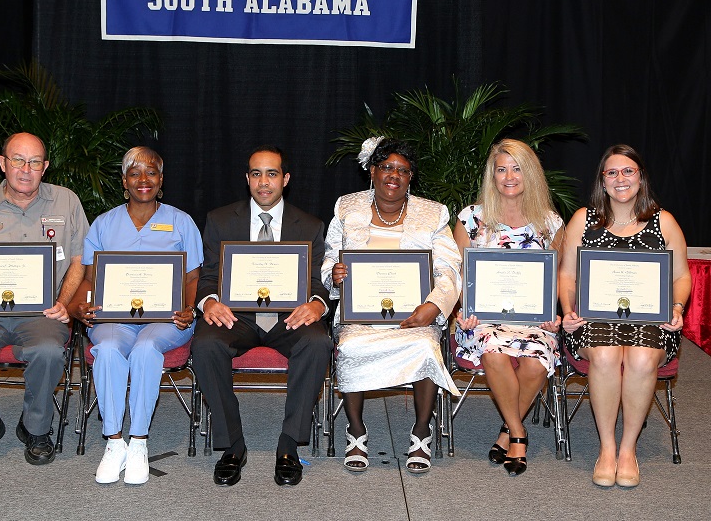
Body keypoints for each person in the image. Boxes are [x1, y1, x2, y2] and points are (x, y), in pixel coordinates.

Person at [0, 132, 89, 466]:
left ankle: (36, 428)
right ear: (3, 164)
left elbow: (79, 260)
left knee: (49, 350)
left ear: (45, 167)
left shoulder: (67, 203)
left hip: (42, 311)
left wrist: (64, 302)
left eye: (35, 162)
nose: (26, 169)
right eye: (18, 160)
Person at [192, 145, 333, 487]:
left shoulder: (310, 226)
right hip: (237, 317)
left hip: (288, 318)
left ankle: (288, 445)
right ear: (247, 179)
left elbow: (317, 279)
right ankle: (233, 446)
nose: (263, 182)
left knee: (317, 343)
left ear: (285, 179)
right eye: (256, 174)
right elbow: (208, 276)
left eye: (272, 174)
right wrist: (209, 302)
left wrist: (317, 303)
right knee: (206, 343)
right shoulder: (221, 220)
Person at [322, 137, 462, 474]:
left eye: (402, 170)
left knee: (427, 347)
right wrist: (335, 275)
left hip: (414, 315)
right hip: (361, 313)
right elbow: (329, 258)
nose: (394, 175)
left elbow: (449, 268)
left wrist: (434, 306)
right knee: (351, 346)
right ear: (372, 171)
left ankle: (421, 431)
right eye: (387, 167)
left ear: (410, 177)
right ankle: (356, 429)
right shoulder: (346, 207)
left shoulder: (433, 213)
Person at [67, 147, 202, 485]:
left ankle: (139, 440)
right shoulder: (104, 224)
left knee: (146, 349)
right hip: (113, 318)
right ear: (123, 181)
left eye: (151, 172)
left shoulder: (181, 222)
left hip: (166, 320)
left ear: (161, 179)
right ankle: (114, 442)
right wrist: (81, 305)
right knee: (109, 349)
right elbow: (89, 278)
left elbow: (193, 278)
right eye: (135, 173)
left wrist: (188, 309)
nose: (144, 179)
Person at [559, 144, 690, 488]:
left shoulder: (663, 221)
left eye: (628, 171)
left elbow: (680, 277)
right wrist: (569, 311)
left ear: (641, 177)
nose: (621, 179)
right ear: (602, 181)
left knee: (643, 359)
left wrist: (676, 308)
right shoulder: (583, 219)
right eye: (612, 172)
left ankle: (628, 450)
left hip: (651, 319)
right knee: (604, 355)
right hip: (592, 319)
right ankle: (607, 447)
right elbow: (567, 275)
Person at [453, 139, 564, 477]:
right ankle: (519, 433)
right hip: (482, 318)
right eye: (501, 169)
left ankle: (507, 428)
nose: (509, 176)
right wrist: (463, 308)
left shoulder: (550, 222)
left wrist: (553, 312)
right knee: (493, 351)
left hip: (533, 320)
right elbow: (458, 272)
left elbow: (557, 276)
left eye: (517, 168)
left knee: (536, 361)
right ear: (492, 175)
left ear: (530, 174)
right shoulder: (471, 218)